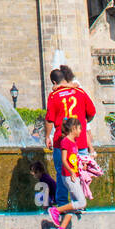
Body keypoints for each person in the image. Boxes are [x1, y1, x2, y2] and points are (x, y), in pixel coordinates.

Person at [47, 117, 88, 229]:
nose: (81, 131)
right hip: (69, 177)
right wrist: (71, 172)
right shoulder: (65, 142)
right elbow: (64, 160)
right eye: (80, 128)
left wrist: (82, 165)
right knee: (81, 202)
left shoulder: (73, 142)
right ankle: (56, 211)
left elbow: (73, 159)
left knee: (74, 205)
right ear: (73, 128)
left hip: (73, 176)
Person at [44, 69, 70, 207]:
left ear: (54, 82)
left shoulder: (54, 96)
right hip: (79, 139)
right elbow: (91, 113)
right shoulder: (79, 91)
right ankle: (79, 202)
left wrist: (47, 136)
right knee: (79, 171)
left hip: (61, 139)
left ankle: (62, 204)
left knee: (61, 171)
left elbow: (49, 119)